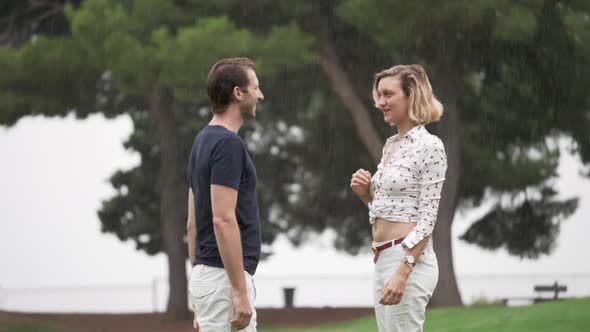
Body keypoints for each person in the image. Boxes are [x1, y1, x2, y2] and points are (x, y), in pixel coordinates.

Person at [350, 64, 447, 332]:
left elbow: (428, 218)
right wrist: (366, 195)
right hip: (383, 258)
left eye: (388, 94)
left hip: (407, 259)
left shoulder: (431, 147)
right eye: (379, 95)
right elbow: (390, 209)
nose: (381, 102)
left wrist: (404, 270)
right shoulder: (391, 145)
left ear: (411, 96)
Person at [186, 57, 264, 331]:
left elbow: (193, 223)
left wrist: (200, 290)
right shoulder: (228, 144)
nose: (260, 95)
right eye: (256, 87)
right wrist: (240, 292)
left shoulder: (201, 140)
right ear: (238, 92)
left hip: (209, 278)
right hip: (224, 279)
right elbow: (222, 220)